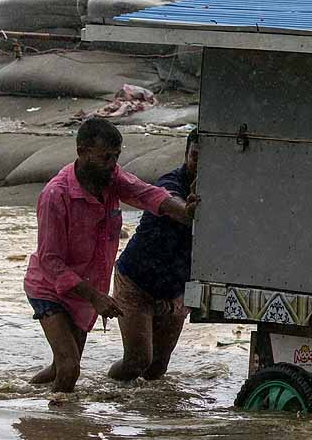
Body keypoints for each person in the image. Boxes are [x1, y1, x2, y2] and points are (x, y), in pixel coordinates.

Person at [23, 118, 199, 393]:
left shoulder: (111, 179)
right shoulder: (55, 196)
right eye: (106, 157)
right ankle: (57, 430)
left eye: (116, 157)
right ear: (82, 152)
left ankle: (20, 394)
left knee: (62, 367)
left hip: (86, 290)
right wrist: (96, 297)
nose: (112, 164)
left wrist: (186, 213)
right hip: (49, 288)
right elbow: (50, 261)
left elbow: (148, 194)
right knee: (70, 369)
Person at [108, 129, 200, 382]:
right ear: (185, 156)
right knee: (137, 361)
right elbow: (173, 204)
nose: (200, 164)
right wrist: (190, 211)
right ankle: (107, 395)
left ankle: (150, 417)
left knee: (158, 368)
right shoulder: (170, 183)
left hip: (175, 288)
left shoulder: (225, 194)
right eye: (195, 157)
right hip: (136, 282)